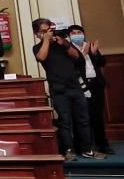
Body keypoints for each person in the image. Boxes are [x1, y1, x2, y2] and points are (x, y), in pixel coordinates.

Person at [32, 19, 103, 160]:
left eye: (49, 29)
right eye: (44, 31)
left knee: (83, 119)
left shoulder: (63, 43)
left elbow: (77, 57)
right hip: (59, 89)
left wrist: (64, 43)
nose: (48, 33)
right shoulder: (38, 47)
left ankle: (87, 149)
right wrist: (46, 40)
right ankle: (68, 151)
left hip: (75, 87)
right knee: (65, 121)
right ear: (36, 33)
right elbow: (41, 57)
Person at [68, 24, 113, 154]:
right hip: (80, 85)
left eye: (79, 32)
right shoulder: (69, 49)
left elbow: (102, 62)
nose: (77, 35)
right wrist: (84, 54)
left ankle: (103, 145)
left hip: (96, 84)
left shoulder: (90, 45)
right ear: (69, 36)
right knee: (80, 117)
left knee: (97, 116)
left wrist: (95, 54)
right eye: (74, 33)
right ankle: (80, 146)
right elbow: (71, 67)